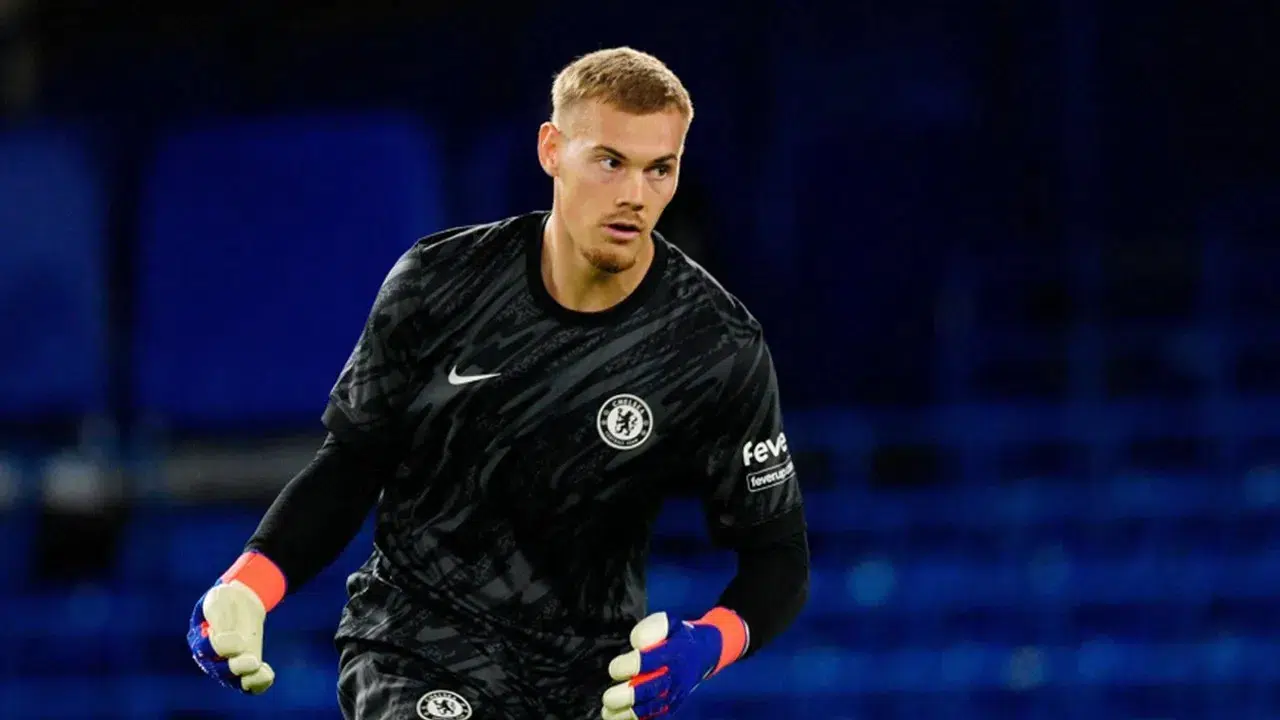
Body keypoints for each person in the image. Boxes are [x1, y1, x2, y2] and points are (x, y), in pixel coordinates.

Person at [186, 46, 810, 720]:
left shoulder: (714, 344)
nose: (635, 194)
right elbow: (351, 466)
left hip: (585, 685)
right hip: (414, 648)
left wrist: (706, 645)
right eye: (610, 162)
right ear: (551, 150)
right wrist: (247, 586)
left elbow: (777, 558)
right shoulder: (439, 283)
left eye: (660, 169)